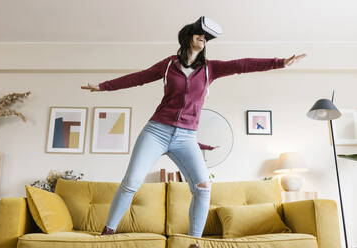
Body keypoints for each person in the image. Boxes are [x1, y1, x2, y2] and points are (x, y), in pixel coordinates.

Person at [81, 16, 306, 245]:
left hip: (186, 137)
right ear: (188, 37)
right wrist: (103, 87)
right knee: (131, 182)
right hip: (156, 131)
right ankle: (107, 233)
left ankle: (193, 242)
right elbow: (139, 77)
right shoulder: (168, 64)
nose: (204, 38)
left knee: (203, 187)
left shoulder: (211, 69)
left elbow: (242, 64)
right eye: (200, 34)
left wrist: (279, 62)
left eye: (207, 37)